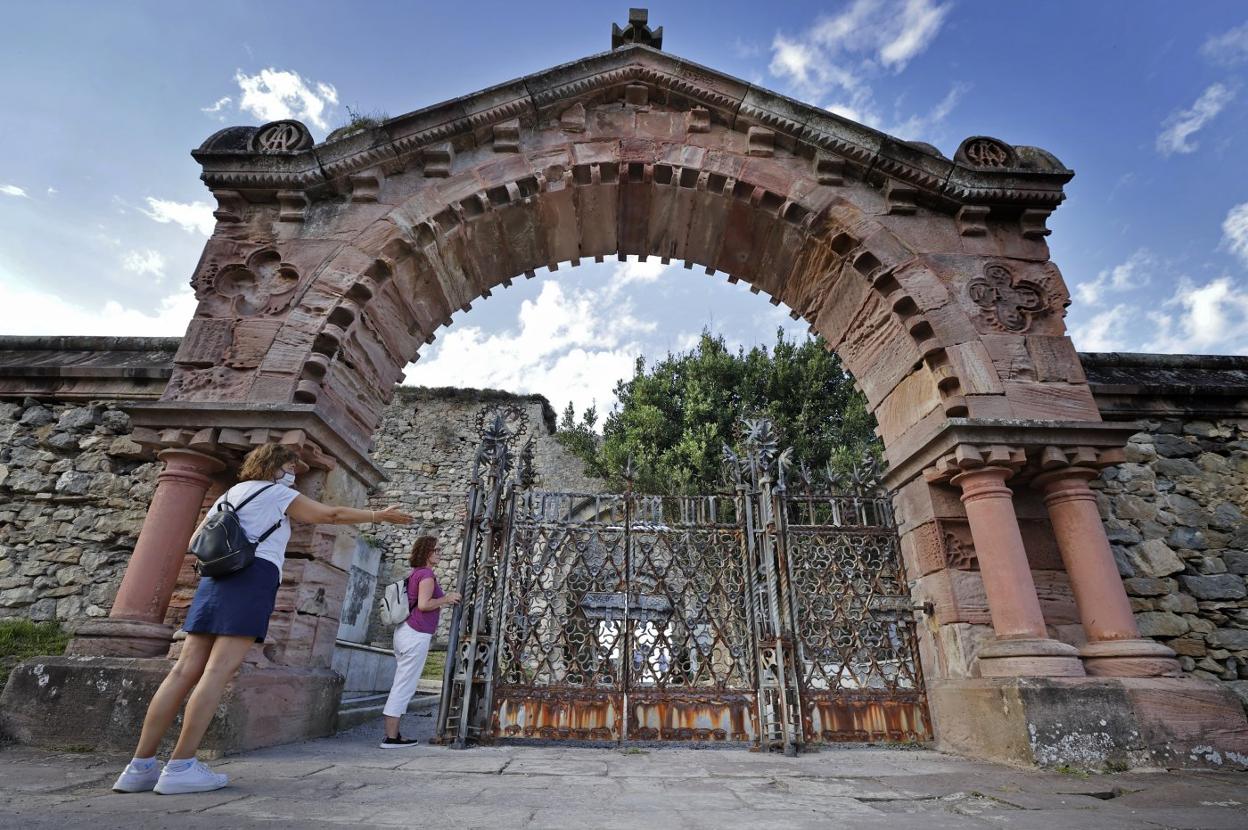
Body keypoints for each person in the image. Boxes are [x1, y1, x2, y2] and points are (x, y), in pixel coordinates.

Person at [112, 442, 413, 795]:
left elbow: (197, 540)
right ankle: (180, 765)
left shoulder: (232, 494)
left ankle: (139, 767)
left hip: (214, 582)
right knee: (216, 672)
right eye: (291, 467)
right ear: (275, 467)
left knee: (182, 671)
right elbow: (327, 516)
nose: (295, 474)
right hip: (252, 578)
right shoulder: (274, 493)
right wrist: (378, 516)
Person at [379, 535, 460, 748]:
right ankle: (391, 737)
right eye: (438, 550)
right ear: (427, 553)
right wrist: (447, 598)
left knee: (403, 683)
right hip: (415, 634)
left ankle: (394, 734)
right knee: (404, 685)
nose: (440, 554)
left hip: (406, 632)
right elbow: (424, 604)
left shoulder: (416, 573)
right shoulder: (426, 575)